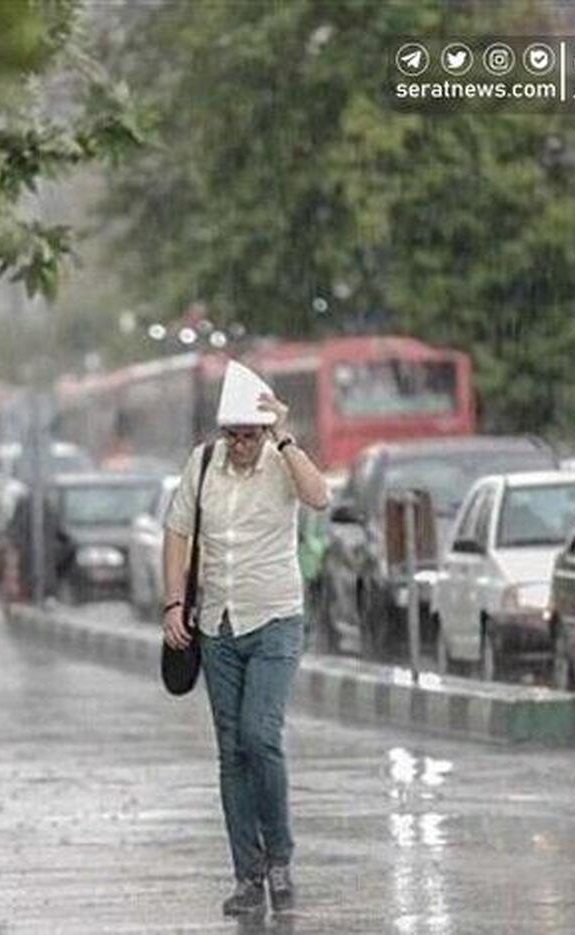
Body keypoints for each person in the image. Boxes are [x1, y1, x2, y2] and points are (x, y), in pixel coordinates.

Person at [162, 361, 330, 917]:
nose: (240, 445)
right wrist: (172, 604)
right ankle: (247, 875)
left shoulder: (282, 463)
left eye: (249, 435)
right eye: (232, 434)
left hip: (275, 618)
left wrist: (284, 436)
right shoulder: (203, 463)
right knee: (231, 752)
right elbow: (178, 530)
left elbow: (319, 497)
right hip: (217, 625)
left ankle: (280, 857)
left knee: (261, 736)